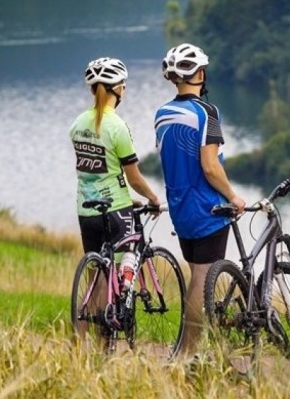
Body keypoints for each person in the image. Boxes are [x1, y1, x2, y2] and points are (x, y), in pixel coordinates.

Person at [154, 43, 246, 358]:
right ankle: (188, 354)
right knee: (203, 279)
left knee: (197, 276)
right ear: (201, 74)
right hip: (208, 208)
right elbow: (209, 165)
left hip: (180, 211)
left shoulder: (162, 114)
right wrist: (233, 195)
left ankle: (186, 348)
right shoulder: (207, 112)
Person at [69, 57, 161, 343]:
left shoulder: (77, 124)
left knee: (96, 274)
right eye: (124, 85)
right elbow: (133, 177)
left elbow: (96, 171)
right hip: (116, 209)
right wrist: (152, 197)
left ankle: (85, 345)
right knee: (126, 261)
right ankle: (117, 319)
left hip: (86, 209)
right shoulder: (118, 127)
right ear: (117, 89)